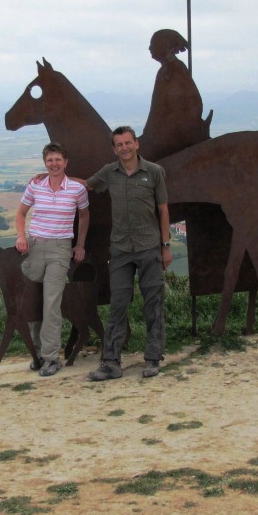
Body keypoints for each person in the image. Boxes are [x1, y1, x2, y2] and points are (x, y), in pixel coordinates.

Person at [84, 126, 173, 380]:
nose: (124, 148)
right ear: (114, 149)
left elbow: (164, 211)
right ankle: (111, 362)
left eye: (127, 143)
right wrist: (51, 177)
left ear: (137, 143)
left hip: (149, 248)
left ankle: (153, 358)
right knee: (117, 305)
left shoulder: (154, 172)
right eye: (119, 145)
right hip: (121, 250)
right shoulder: (108, 173)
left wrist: (166, 247)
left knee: (153, 305)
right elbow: (86, 186)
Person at [15, 142, 89, 377]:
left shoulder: (77, 189)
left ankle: (50, 358)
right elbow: (20, 213)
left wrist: (80, 244)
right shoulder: (36, 185)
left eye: (58, 160)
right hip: (35, 246)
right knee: (32, 302)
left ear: (65, 163)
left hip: (60, 250)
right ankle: (37, 354)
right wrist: (21, 236)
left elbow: (85, 216)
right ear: (44, 163)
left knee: (51, 303)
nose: (54, 164)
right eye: (50, 160)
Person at [140, 28, 209, 161]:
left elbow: (192, 104)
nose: (150, 48)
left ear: (164, 46)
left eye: (153, 44)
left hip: (173, 136)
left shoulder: (175, 70)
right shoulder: (166, 71)